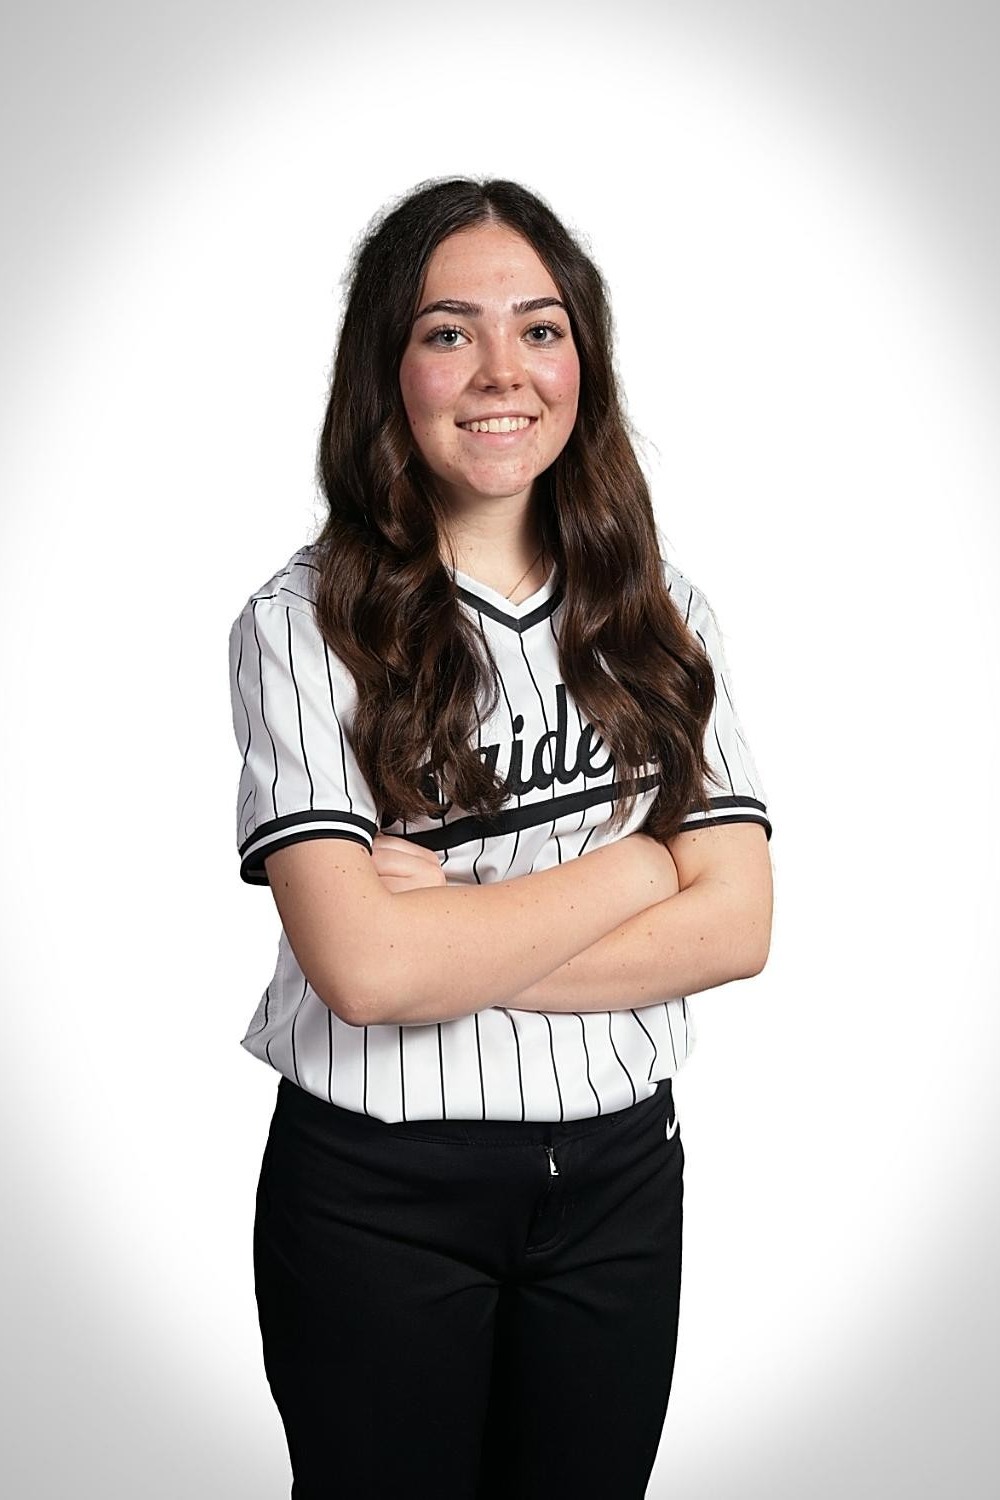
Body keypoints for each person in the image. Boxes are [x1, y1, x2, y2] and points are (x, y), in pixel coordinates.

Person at [227, 176, 773, 1500]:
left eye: (539, 328)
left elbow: (738, 924)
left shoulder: (657, 606)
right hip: (379, 1197)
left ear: (582, 358)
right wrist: (646, 868)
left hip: (620, 1185)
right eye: (446, 330)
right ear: (388, 368)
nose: (499, 371)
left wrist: (453, 928)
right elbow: (366, 974)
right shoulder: (304, 623)